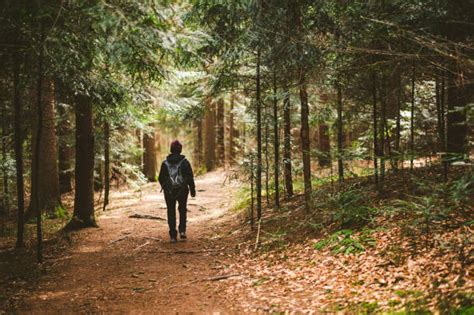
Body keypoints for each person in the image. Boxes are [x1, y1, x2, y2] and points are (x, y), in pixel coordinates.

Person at [158, 140, 196, 242]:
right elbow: (189, 177)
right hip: (182, 190)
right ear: (180, 149)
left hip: (169, 191)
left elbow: (160, 178)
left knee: (171, 211)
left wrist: (165, 187)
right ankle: (182, 231)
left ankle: (173, 236)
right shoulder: (185, 162)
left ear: (171, 149)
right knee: (182, 209)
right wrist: (192, 190)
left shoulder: (165, 163)